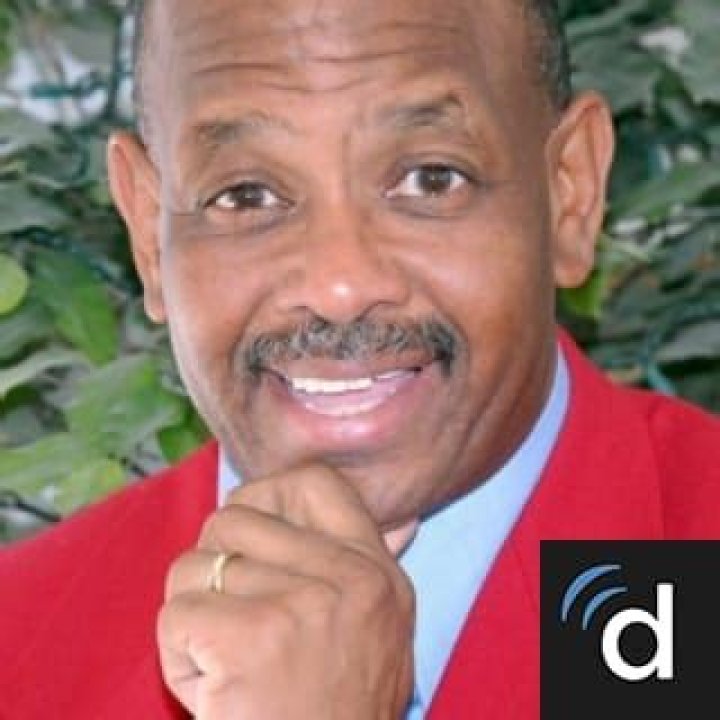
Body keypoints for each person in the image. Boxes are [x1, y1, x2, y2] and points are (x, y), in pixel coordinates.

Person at [1, 0, 719, 718]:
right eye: (245, 195)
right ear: (147, 232)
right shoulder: (22, 644)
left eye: (431, 179)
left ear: (570, 193)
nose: (338, 288)